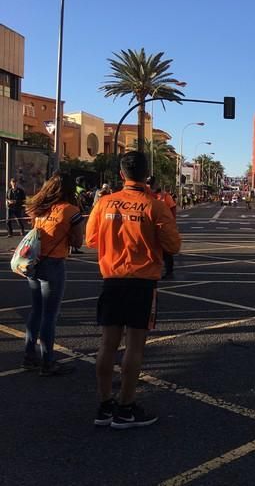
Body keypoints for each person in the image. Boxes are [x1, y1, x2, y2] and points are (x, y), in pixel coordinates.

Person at [87, 152, 181, 429]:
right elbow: (173, 246)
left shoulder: (104, 203)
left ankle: (104, 406)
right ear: (147, 174)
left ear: (121, 174)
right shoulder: (155, 206)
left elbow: (91, 239)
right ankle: (126, 408)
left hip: (112, 279)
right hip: (141, 282)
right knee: (135, 346)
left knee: (107, 344)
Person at [22, 173, 84, 375]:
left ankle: (29, 356)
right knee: (50, 314)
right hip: (54, 264)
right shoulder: (71, 211)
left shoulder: (39, 208)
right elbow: (77, 242)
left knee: (36, 310)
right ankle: (47, 362)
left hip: (34, 262)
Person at [146, 176, 177, 279]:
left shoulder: (165, 196)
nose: (149, 185)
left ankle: (169, 271)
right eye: (147, 183)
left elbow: (172, 208)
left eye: (150, 183)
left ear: (155, 184)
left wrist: (171, 222)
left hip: (163, 227)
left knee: (166, 251)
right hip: (149, 226)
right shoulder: (146, 194)